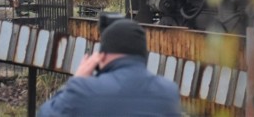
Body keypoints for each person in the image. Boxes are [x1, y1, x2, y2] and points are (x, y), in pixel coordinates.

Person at [38, 18, 182, 116]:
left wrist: (77, 79)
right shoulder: (169, 93)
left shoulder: (83, 89)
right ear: (143, 54)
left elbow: (44, 114)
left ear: (102, 55)